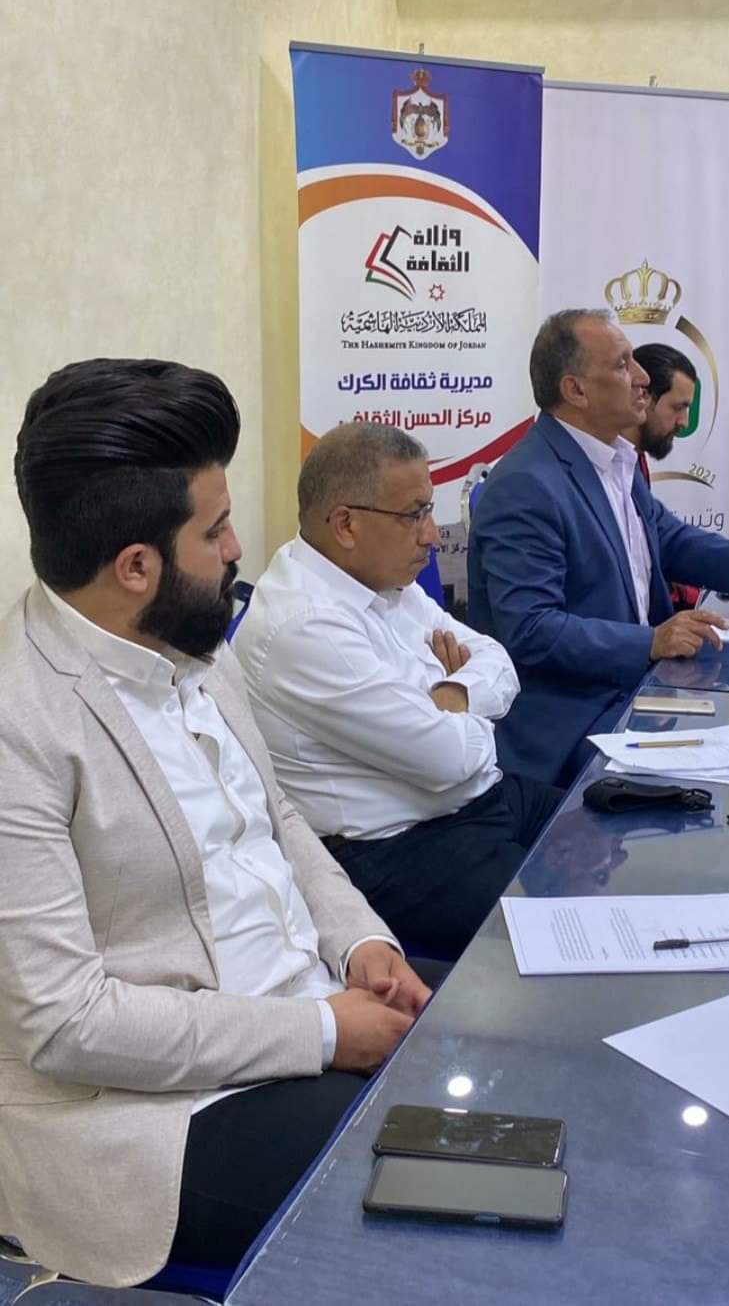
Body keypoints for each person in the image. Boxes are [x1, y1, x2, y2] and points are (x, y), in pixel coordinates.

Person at [0, 360, 430, 1288]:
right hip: (151, 1111)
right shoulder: (19, 724)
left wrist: (359, 942)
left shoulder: (189, 638)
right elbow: (67, 1025)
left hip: (308, 1009)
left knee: (492, 1099)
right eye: (216, 529)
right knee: (428, 1207)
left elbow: (279, 818)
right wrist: (322, 1031)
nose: (240, 547)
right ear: (137, 566)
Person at [233, 423, 563, 961]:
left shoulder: (381, 578)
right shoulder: (305, 625)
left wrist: (450, 696)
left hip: (479, 799)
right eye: (414, 515)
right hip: (398, 850)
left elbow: (499, 662)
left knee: (604, 829)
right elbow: (450, 759)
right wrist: (464, 713)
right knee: (569, 929)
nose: (432, 534)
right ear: (346, 524)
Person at [467, 308, 729, 786]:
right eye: (622, 364)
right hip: (570, 722)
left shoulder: (611, 458)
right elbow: (531, 628)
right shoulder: (526, 485)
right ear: (576, 390)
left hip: (633, 689)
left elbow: (665, 538)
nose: (643, 378)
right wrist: (650, 642)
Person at [625, 341, 700, 611]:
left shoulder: (635, 460)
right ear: (643, 397)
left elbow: (661, 541)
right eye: (678, 407)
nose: (684, 422)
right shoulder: (608, 463)